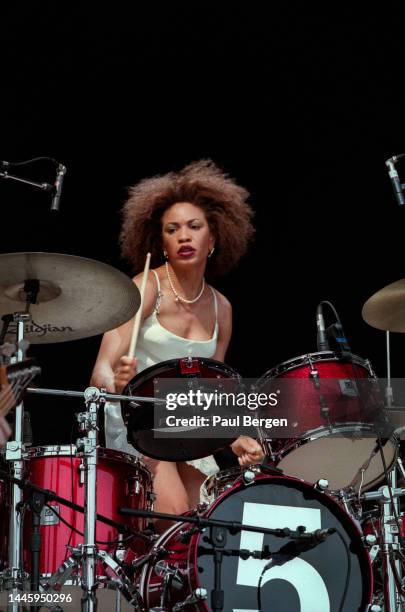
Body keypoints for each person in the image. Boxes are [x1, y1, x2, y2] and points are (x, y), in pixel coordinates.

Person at [91, 160, 264, 521]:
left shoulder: (222, 308)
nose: (184, 236)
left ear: (213, 238)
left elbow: (211, 395)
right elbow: (100, 373)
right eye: (172, 230)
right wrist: (119, 386)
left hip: (187, 422)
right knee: (176, 513)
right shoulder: (146, 287)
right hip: (138, 419)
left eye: (194, 227)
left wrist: (235, 439)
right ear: (163, 244)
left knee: (209, 518)